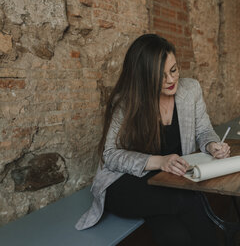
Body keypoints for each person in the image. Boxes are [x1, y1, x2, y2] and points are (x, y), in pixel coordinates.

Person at [75, 34, 230, 246]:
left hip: (166, 182)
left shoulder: (190, 89)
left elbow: (204, 130)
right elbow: (110, 155)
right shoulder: (127, 101)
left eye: (173, 70)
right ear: (143, 77)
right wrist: (160, 161)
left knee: (175, 236)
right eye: (161, 75)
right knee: (190, 198)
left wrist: (212, 145)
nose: (171, 80)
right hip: (125, 182)